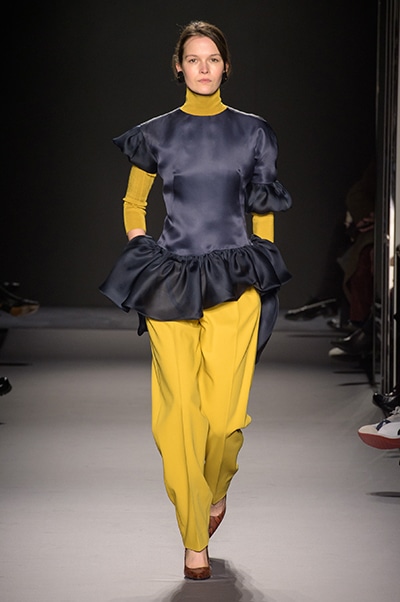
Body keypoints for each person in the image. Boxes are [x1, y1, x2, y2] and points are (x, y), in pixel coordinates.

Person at [100, 21, 292, 580]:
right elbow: (134, 202)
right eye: (192, 59)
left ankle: (216, 487)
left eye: (212, 59)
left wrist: (264, 269)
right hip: (172, 282)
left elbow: (262, 208)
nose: (203, 68)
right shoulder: (155, 134)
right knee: (179, 414)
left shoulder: (254, 132)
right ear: (179, 67)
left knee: (225, 419)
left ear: (226, 66)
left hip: (236, 280)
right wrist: (140, 243)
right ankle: (193, 539)